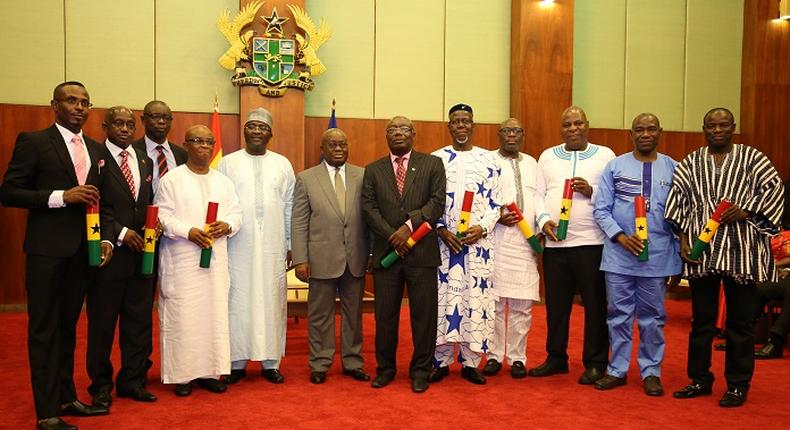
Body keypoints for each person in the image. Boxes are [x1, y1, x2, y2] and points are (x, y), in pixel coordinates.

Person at [0, 81, 112, 430]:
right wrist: (61, 196)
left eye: (85, 103)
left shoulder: (97, 150)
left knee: (67, 328)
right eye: (71, 101)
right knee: (44, 330)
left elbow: (101, 203)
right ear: (55, 105)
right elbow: (9, 192)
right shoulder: (34, 142)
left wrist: (105, 239)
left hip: (84, 252)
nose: (79, 107)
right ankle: (47, 411)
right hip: (46, 252)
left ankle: (66, 396)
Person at [665, 107, 784, 407]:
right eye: (711, 126)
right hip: (701, 253)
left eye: (723, 125)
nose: (717, 130)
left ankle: (737, 385)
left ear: (733, 127)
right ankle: (700, 379)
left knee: (740, 324)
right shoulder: (691, 162)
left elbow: (775, 191)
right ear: (703, 129)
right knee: (701, 321)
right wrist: (681, 241)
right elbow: (677, 201)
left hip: (740, 252)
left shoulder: (753, 158)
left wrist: (746, 211)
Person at [592, 113, 681, 396]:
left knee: (653, 317)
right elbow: (601, 210)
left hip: (657, 257)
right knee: (618, 314)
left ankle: (651, 371)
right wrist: (620, 236)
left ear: (660, 132)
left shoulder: (675, 169)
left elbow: (681, 218)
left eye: (651, 129)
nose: (645, 134)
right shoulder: (615, 166)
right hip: (619, 256)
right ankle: (617, 369)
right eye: (639, 130)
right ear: (631, 134)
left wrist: (678, 260)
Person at [529, 106, 615, 385]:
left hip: (593, 243)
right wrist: (543, 221)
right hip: (555, 245)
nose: (573, 128)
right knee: (556, 306)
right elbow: (537, 196)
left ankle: (595, 362)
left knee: (595, 305)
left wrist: (593, 192)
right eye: (567, 125)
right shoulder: (548, 156)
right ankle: (556, 358)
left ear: (587, 125)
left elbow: (614, 195)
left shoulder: (605, 155)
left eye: (578, 123)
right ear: (561, 128)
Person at [155, 125, 242, 397]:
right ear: (186, 144)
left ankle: (210, 372)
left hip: (215, 263)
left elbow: (237, 214)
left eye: (208, 142)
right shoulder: (172, 180)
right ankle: (182, 375)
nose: (204, 146)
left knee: (213, 316)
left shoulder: (223, 182)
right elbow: (162, 217)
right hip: (182, 261)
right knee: (184, 317)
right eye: (197, 141)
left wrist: (226, 226)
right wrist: (188, 231)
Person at [361, 116, 445, 393]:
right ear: (386, 136)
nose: (398, 133)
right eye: (392, 129)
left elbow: (437, 202)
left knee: (424, 316)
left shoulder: (432, 164)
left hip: (421, 253)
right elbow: (369, 208)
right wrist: (391, 235)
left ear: (414, 134)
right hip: (387, 253)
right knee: (385, 316)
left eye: (403, 129)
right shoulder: (373, 170)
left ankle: (421, 370)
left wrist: (408, 227)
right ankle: (385, 369)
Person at [217, 107, 295, 385]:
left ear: (271, 133)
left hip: (273, 244)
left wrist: (290, 244)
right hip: (238, 244)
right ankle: (236, 362)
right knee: (237, 299)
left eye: (263, 127)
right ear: (244, 131)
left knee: (272, 299)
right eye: (252, 126)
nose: (257, 131)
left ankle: (270, 362)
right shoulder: (228, 163)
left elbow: (290, 207)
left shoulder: (283, 164)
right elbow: (222, 203)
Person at [86, 107, 157, 409]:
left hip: (142, 254)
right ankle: (101, 385)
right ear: (104, 126)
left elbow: (146, 203)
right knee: (102, 325)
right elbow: (92, 203)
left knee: (139, 322)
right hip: (108, 254)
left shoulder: (145, 159)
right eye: (118, 123)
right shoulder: (94, 159)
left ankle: (132, 381)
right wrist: (120, 232)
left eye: (130, 124)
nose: (126, 129)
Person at [291, 128, 370, 384]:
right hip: (321, 257)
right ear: (322, 149)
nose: (338, 149)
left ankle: (353, 361)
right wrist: (301, 259)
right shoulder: (306, 178)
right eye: (332, 145)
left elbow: (370, 218)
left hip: (355, 256)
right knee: (319, 314)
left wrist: (370, 254)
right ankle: (320, 363)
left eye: (343, 145)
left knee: (353, 313)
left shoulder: (363, 175)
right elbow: (299, 221)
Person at [430, 103, 501, 385]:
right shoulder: (436, 159)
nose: (461, 126)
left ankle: (471, 363)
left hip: (477, 245)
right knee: (443, 300)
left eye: (466, 121)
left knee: (475, 300)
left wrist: (481, 228)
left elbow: (497, 203)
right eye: (456, 122)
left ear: (473, 125)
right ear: (449, 126)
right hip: (443, 245)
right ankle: (441, 360)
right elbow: (428, 202)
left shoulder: (489, 160)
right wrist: (439, 228)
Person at [483, 118, 541, 380]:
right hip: (498, 239)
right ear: (499, 135)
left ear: (523, 135)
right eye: (506, 130)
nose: (511, 135)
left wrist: (542, 225)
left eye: (517, 130)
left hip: (526, 242)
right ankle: (494, 356)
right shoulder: (488, 161)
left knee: (522, 304)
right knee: (494, 304)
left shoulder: (532, 163)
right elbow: (482, 198)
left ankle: (517, 358)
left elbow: (539, 197)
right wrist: (496, 216)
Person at [132, 100, 187, 195]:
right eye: (156, 116)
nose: (161, 121)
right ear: (143, 120)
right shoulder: (132, 151)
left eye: (166, 118)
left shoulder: (182, 154)